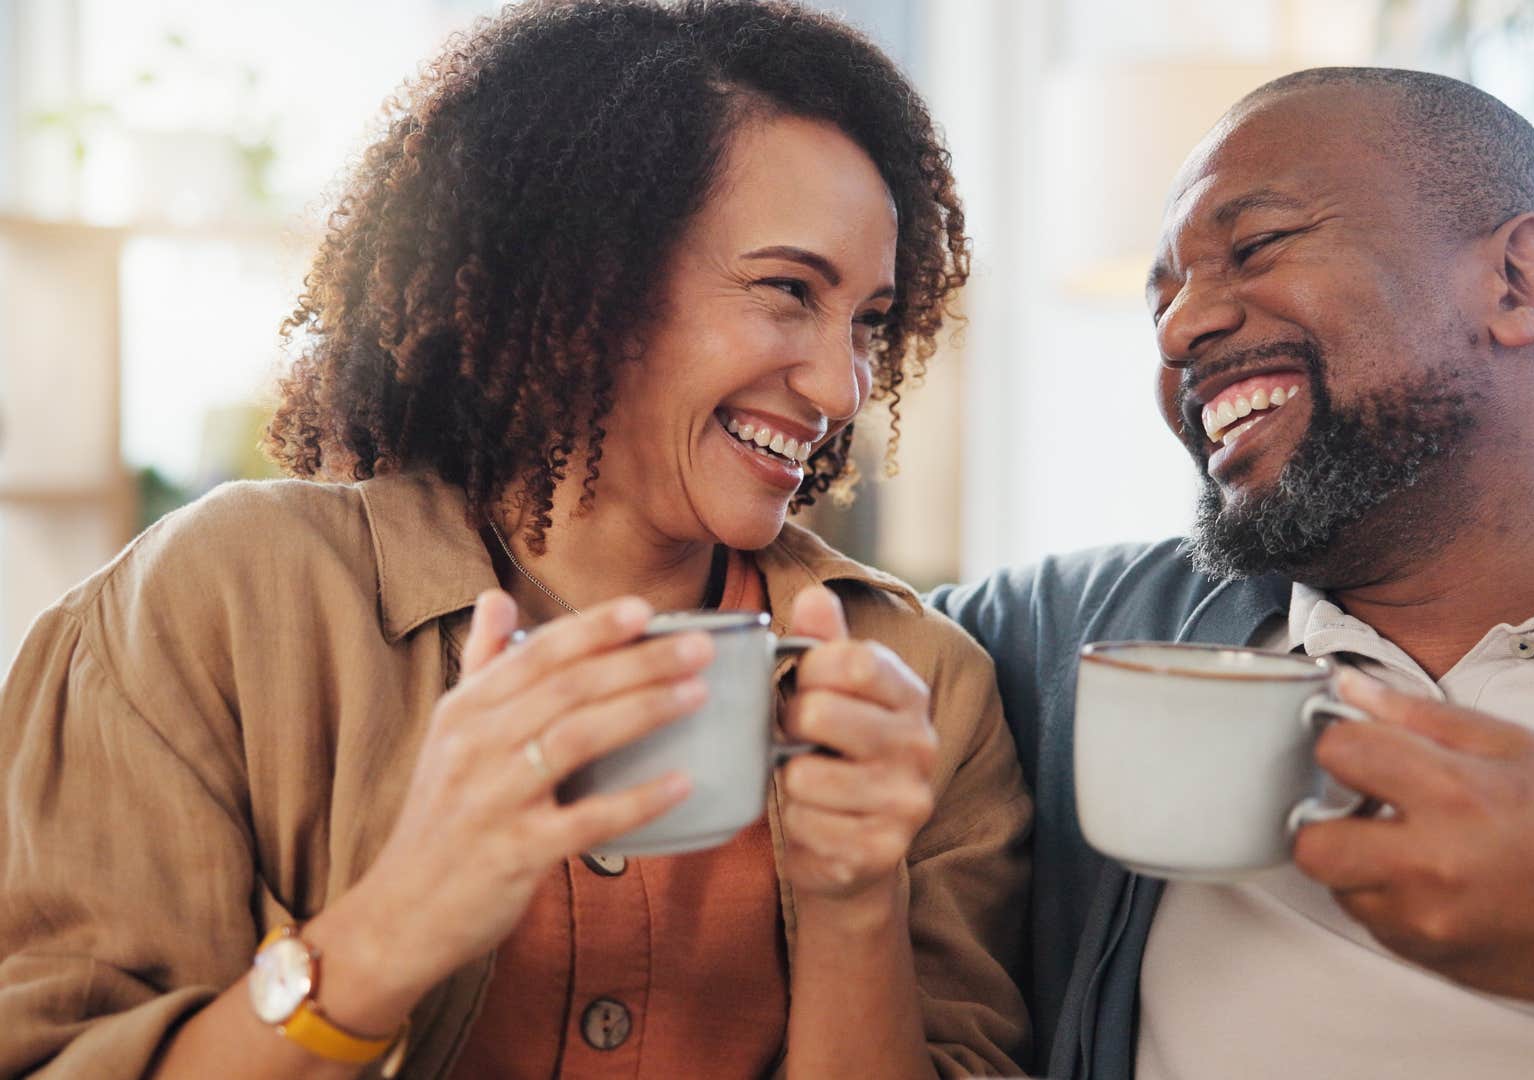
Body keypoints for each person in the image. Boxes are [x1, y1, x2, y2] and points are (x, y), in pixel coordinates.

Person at [0, 3, 1031, 1077]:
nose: (841, 385)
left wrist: (854, 902)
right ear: (587, 275)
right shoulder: (217, 607)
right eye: (787, 291)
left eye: (867, 320)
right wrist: (399, 921)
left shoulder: (922, 691)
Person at [933, 67, 1534, 1078]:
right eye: (1164, 299)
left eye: (1257, 246)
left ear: (1518, 284)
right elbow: (793, 605)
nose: (1179, 331)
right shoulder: (1086, 635)